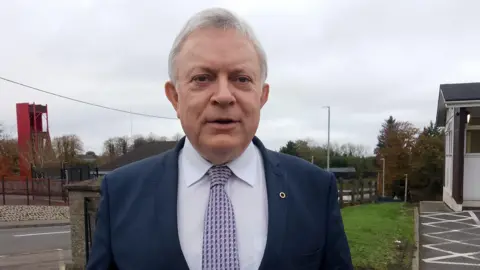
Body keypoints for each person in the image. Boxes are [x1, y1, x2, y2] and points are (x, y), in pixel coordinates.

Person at [87, 7, 353, 270]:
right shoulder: (121, 193)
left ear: (262, 96)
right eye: (202, 78)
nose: (224, 95)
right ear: (175, 97)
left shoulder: (315, 190)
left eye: (241, 78)